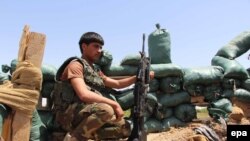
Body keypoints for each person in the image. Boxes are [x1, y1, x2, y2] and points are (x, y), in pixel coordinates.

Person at [52, 32, 154, 141]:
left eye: (101, 47)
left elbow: (117, 84)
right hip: (67, 115)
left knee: (124, 127)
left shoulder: (95, 70)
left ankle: (79, 134)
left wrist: (138, 77)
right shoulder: (75, 65)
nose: (99, 50)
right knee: (106, 110)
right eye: (96, 46)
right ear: (84, 46)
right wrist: (114, 104)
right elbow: (83, 94)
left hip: (85, 113)